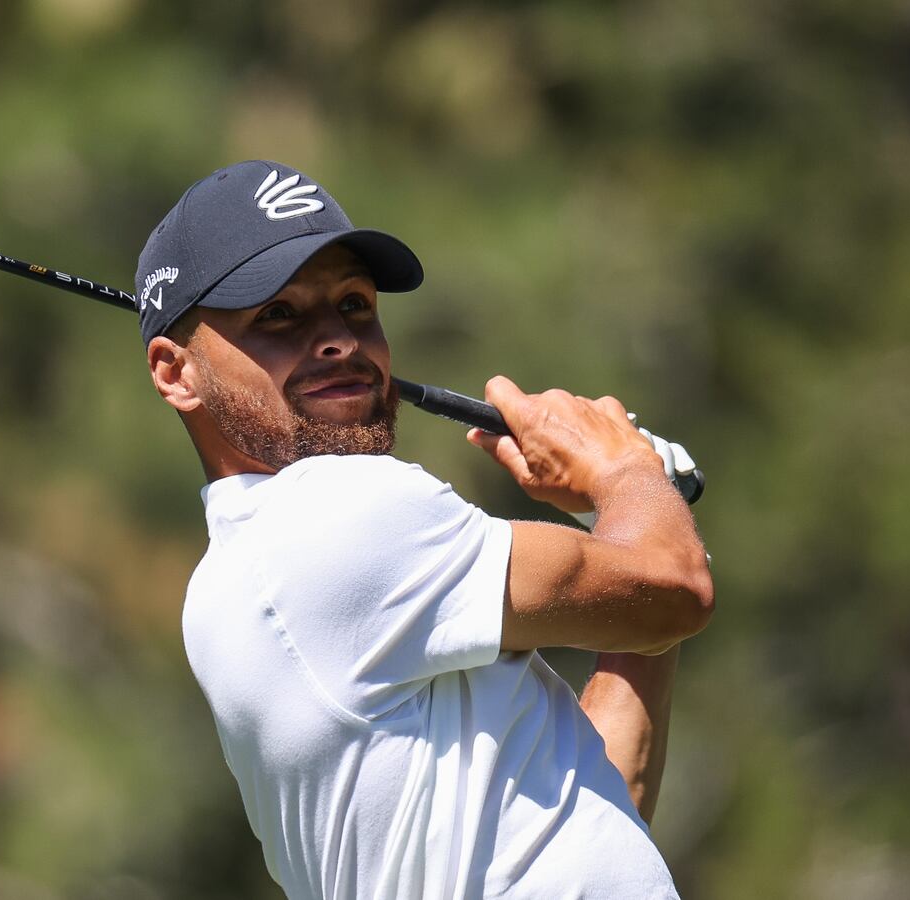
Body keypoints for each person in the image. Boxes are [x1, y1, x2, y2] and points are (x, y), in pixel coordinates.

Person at [135, 160, 714, 899]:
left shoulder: (237, 582)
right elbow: (677, 589)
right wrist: (626, 473)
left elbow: (595, 804)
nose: (338, 339)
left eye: (353, 304)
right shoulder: (337, 513)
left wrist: (630, 511)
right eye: (278, 315)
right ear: (174, 372)